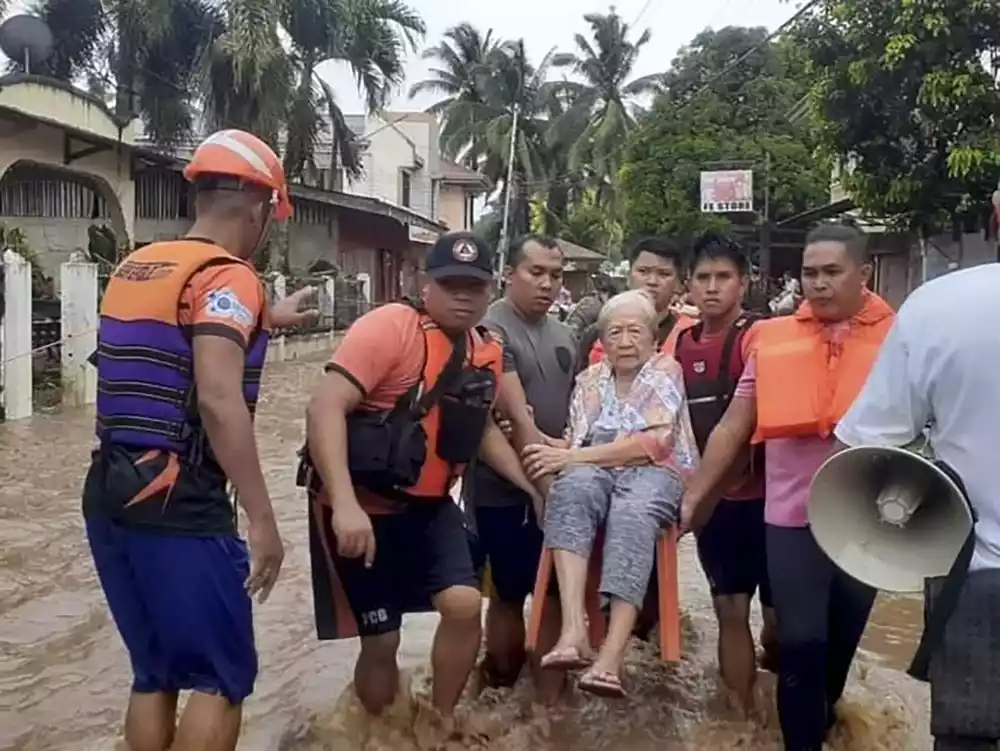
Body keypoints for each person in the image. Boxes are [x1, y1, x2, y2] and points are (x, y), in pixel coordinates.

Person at [82, 129, 319, 751]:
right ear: (259, 205)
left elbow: (173, 338)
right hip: (175, 490)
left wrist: (274, 314)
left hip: (108, 484)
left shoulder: (140, 264)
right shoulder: (230, 277)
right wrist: (264, 522)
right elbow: (216, 396)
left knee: (154, 671)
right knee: (219, 677)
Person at [303, 231, 542, 726]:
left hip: (430, 506)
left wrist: (532, 485)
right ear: (424, 283)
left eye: (473, 287)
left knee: (461, 604)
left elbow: (478, 435)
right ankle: (376, 732)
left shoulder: (485, 351)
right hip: (362, 505)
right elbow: (325, 405)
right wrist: (344, 505)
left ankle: (442, 720)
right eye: (450, 283)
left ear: (489, 291)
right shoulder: (390, 328)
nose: (462, 295)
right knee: (382, 638)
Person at [680, 223, 895, 751]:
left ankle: (822, 722)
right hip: (792, 517)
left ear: (862, 273)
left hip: (869, 519)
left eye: (831, 272)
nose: (817, 284)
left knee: (839, 647)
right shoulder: (773, 341)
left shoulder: (899, 340)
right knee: (801, 642)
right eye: (808, 273)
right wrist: (692, 500)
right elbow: (733, 426)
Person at [834, 263, 1000, 751]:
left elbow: (863, 449)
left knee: (969, 742)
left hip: (974, 574)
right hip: (971, 572)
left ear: (993, 220)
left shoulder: (939, 304)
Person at [522, 290, 699, 699]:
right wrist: (544, 443)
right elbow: (577, 441)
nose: (625, 340)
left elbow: (650, 446)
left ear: (653, 338)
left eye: (635, 331)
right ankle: (573, 631)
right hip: (597, 469)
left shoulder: (664, 370)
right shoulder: (589, 380)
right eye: (614, 332)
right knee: (571, 489)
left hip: (656, 472)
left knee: (632, 513)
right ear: (602, 339)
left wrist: (569, 457)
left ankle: (611, 656)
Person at [467, 235, 577, 696]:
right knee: (509, 595)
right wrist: (544, 487)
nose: (547, 284)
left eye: (555, 275)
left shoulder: (565, 332)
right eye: (536, 272)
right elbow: (512, 421)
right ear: (508, 274)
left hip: (559, 485)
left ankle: (549, 710)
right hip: (502, 490)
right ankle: (501, 686)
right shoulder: (492, 330)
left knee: (552, 594)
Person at [672, 232, 776, 715]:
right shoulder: (677, 345)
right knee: (730, 610)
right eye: (703, 278)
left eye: (724, 277)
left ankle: (780, 703)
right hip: (717, 507)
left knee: (780, 619)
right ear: (688, 285)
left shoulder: (760, 336)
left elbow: (745, 422)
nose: (712, 288)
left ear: (744, 282)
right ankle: (740, 718)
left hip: (773, 501)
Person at [588, 236, 697, 364]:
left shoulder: (693, 334)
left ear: (679, 284)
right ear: (628, 277)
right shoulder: (599, 331)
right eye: (643, 271)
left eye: (664, 274)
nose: (652, 281)